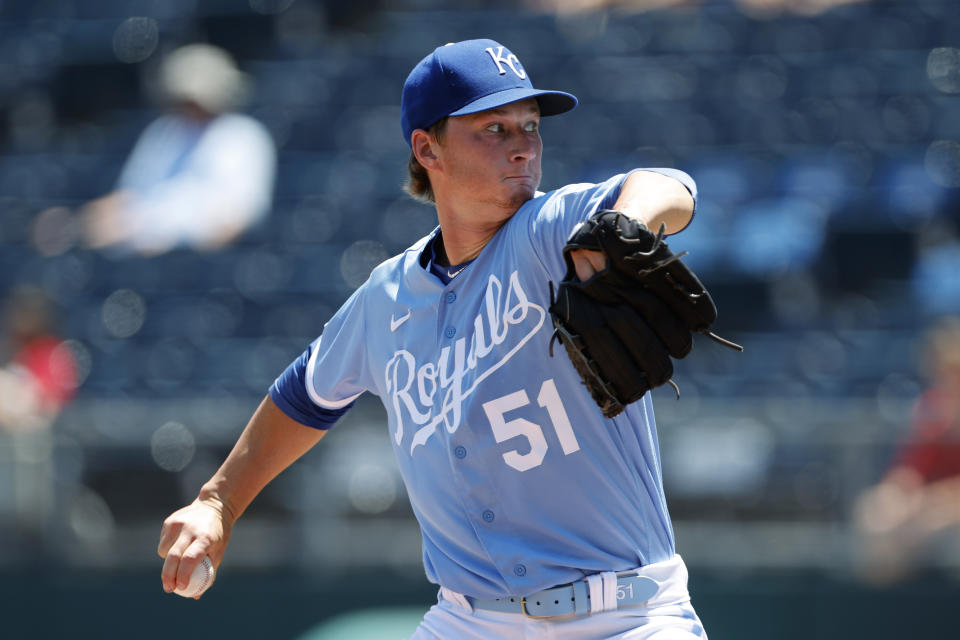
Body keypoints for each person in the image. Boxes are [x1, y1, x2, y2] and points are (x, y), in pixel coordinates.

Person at [158, 39, 709, 638]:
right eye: (495, 128)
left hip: (627, 615)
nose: (523, 144)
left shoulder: (552, 231)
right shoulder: (385, 297)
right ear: (427, 148)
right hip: (470, 621)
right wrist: (219, 502)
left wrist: (622, 225)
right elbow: (303, 398)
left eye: (530, 125)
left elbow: (669, 185)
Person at [81, 44, 276, 256]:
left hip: (207, 266)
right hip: (146, 257)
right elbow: (127, 198)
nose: (189, 106)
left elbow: (235, 222)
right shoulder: (162, 132)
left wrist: (169, 241)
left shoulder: (242, 135)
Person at [853, 317, 960, 584]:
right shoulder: (931, 405)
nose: (948, 376)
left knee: (931, 521)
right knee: (874, 512)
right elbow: (908, 469)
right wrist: (897, 497)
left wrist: (931, 502)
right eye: (943, 368)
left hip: (944, 505)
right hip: (929, 502)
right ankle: (885, 604)